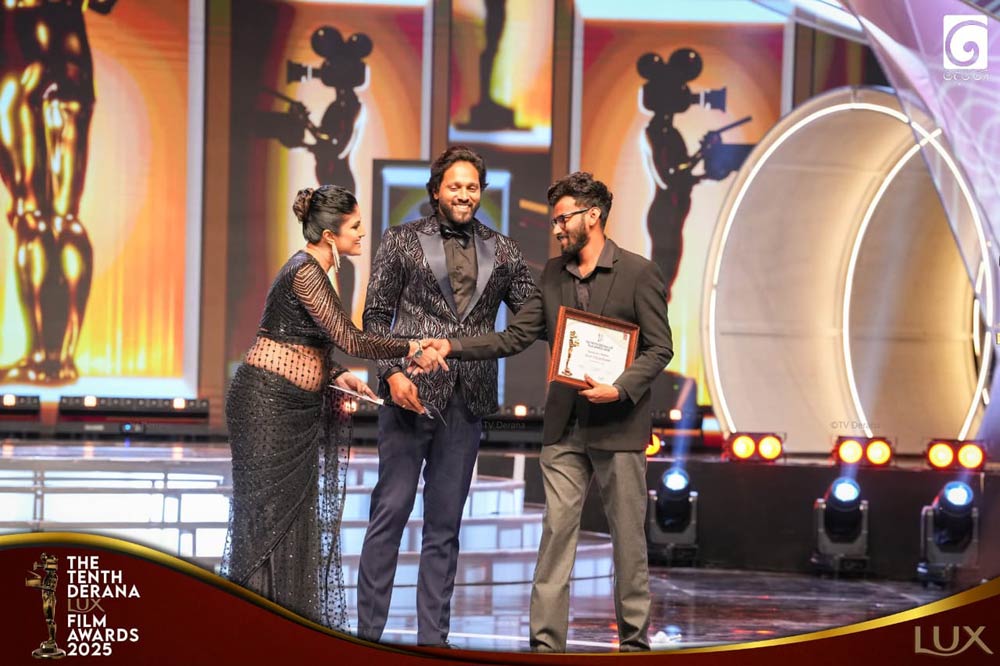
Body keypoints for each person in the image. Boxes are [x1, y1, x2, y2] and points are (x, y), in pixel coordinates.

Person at [429, 171, 674, 652]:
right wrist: (452, 346)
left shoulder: (638, 272)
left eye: (564, 219)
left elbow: (660, 347)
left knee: (628, 540)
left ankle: (634, 645)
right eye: (555, 220)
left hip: (619, 426)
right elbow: (514, 336)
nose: (557, 228)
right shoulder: (553, 275)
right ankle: (545, 647)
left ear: (592, 216)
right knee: (556, 534)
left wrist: (620, 389)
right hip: (565, 428)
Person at [223, 185, 445, 630]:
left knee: (293, 524)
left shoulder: (320, 271)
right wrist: (413, 344)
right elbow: (351, 338)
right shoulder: (306, 272)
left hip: (295, 407)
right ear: (329, 235)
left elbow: (305, 336)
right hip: (266, 406)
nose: (363, 233)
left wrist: (333, 372)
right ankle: (248, 629)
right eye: (355, 226)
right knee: (265, 522)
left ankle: (281, 629)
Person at [357, 145, 536, 646]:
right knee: (390, 513)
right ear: (436, 190)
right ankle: (365, 638)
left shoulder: (504, 250)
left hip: (467, 402)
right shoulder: (400, 239)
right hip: (408, 396)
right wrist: (392, 374)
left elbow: (533, 311)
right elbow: (375, 317)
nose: (464, 194)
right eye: (455, 185)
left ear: (481, 192)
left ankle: (433, 642)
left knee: (444, 526)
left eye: (472, 187)